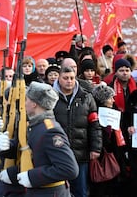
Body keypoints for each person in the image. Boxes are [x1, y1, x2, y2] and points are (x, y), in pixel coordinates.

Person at [0, 82, 79, 196]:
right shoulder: (35, 126)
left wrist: (32, 177)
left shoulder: (50, 131)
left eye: (27, 100)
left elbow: (69, 169)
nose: (24, 103)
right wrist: (13, 172)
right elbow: (36, 159)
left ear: (34, 104)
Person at [52, 66, 102, 197]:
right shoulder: (50, 97)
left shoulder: (86, 97)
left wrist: (96, 148)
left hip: (81, 154)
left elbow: (94, 125)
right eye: (66, 78)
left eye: (72, 78)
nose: (69, 81)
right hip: (57, 154)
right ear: (59, 79)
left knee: (81, 191)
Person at [90, 83, 127, 197]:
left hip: (114, 154)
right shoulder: (96, 115)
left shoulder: (114, 112)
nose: (113, 101)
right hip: (102, 155)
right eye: (110, 98)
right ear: (103, 99)